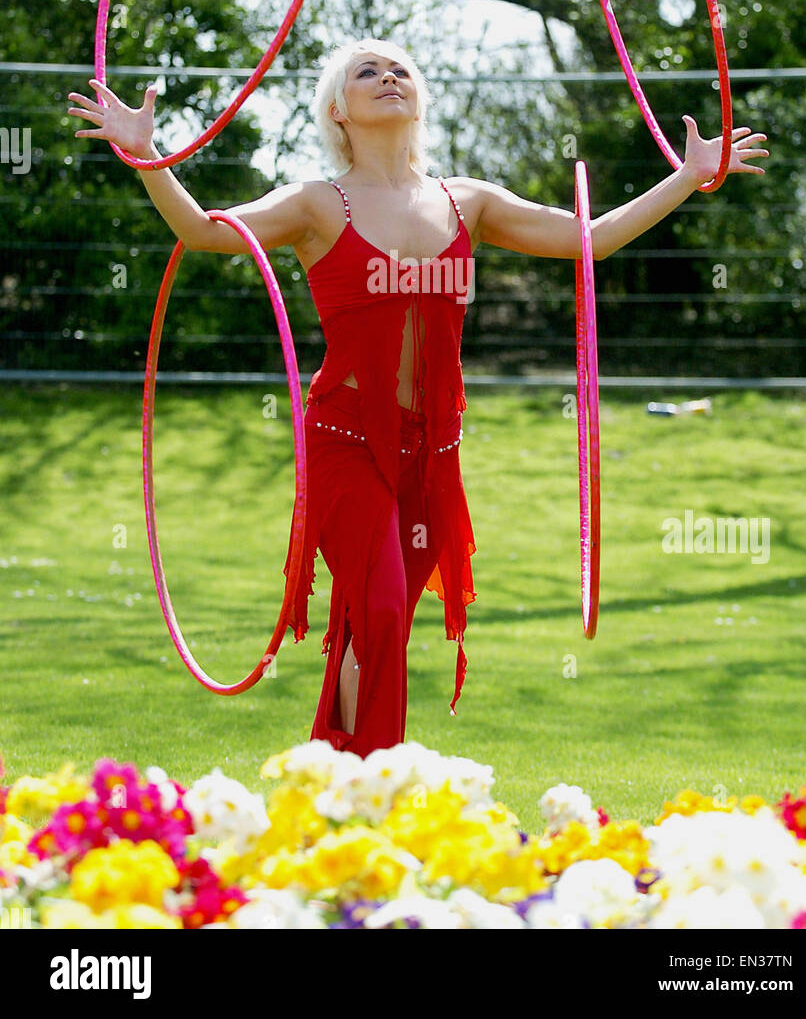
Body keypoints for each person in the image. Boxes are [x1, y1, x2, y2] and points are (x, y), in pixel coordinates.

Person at [68, 39, 768, 756]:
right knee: (377, 605)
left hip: (431, 451)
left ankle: (335, 773)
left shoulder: (468, 201)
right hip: (343, 441)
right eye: (365, 72)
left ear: (419, 96)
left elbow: (592, 239)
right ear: (337, 110)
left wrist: (686, 176)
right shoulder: (316, 203)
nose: (387, 77)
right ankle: (378, 777)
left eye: (399, 67)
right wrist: (147, 157)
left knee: (380, 626)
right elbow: (204, 232)